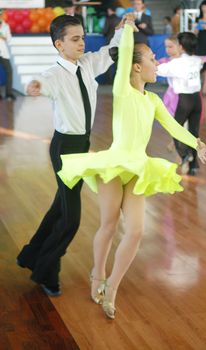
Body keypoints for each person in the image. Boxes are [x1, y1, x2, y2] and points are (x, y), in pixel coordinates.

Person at [58, 18, 206, 319]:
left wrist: (198, 144)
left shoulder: (153, 99)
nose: (159, 62)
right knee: (109, 224)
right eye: (153, 59)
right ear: (137, 67)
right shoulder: (123, 91)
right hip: (115, 165)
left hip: (138, 166)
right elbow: (126, 49)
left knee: (137, 230)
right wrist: (127, 28)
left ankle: (112, 288)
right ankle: (98, 273)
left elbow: (173, 126)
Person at [16, 15, 123, 297]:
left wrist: (122, 32)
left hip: (82, 145)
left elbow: (110, 52)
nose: (81, 43)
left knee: (59, 209)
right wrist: (35, 86)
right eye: (75, 39)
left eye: (83, 38)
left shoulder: (87, 64)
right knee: (71, 218)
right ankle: (45, 271)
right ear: (59, 44)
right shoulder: (54, 73)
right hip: (65, 149)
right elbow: (42, 81)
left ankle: (30, 256)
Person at [157, 32, 206, 175]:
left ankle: (184, 154)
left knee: (175, 130)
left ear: (180, 47)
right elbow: (202, 62)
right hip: (197, 100)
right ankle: (194, 165)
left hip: (185, 101)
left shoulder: (175, 63)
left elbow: (159, 71)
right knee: (194, 133)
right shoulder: (196, 60)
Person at [0, 9, 15, 100]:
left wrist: (3, 37)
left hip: (3, 52)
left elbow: (9, 40)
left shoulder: (6, 26)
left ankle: (8, 93)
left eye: (0, 15)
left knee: (9, 71)